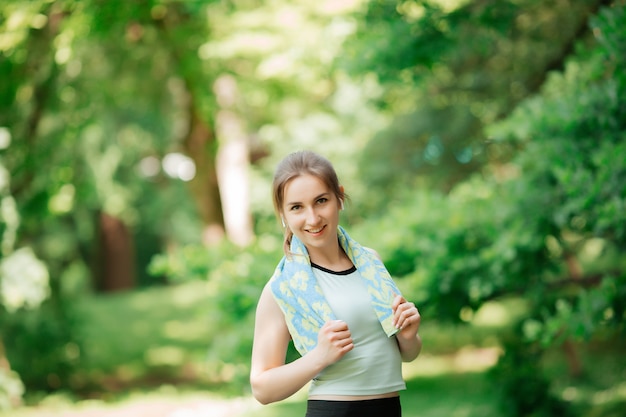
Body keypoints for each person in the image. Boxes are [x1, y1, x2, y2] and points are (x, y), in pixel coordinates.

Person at [250, 150, 422, 417]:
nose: (313, 218)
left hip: (388, 409)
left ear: (339, 197)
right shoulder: (282, 287)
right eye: (297, 207)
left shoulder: (370, 262)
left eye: (321, 201)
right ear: (283, 213)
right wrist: (319, 357)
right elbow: (262, 388)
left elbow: (407, 354)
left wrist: (408, 336)